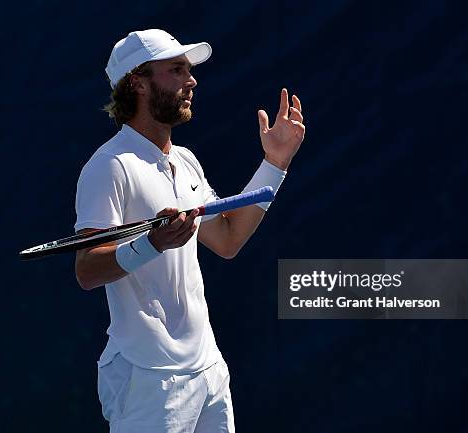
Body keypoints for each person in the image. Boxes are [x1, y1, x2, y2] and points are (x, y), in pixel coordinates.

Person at [74, 29, 305, 433]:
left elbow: (228, 240)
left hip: (209, 369)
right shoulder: (109, 166)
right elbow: (87, 270)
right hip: (149, 381)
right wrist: (150, 244)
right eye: (176, 70)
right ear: (138, 83)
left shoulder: (185, 160)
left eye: (189, 70)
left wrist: (275, 163)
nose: (191, 80)